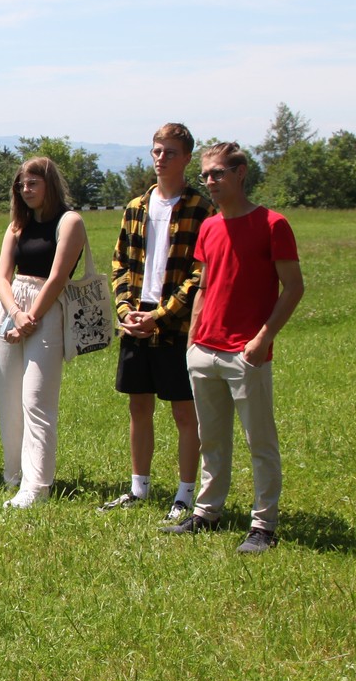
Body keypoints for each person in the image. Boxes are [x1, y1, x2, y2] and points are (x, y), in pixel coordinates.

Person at [164, 142, 305, 553]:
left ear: (240, 173)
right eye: (206, 175)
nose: (210, 181)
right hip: (204, 349)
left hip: (247, 352)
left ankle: (264, 525)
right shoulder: (209, 227)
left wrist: (262, 340)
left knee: (259, 441)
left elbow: (294, 288)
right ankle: (207, 512)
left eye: (218, 173)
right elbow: (205, 284)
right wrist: (193, 338)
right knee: (211, 438)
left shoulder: (273, 224)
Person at [100, 123, 209, 521]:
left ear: (187, 158)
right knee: (139, 405)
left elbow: (200, 273)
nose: (161, 159)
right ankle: (139, 487)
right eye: (157, 151)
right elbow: (120, 263)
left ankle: (185, 494)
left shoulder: (200, 209)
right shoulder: (136, 207)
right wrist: (125, 311)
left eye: (170, 152)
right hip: (136, 318)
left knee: (184, 412)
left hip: (177, 324)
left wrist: (160, 315)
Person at [0, 156, 87, 508]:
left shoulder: (70, 221)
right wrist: (16, 314)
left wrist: (30, 318)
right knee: (9, 398)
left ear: (50, 184)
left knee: (36, 400)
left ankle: (37, 486)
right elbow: (1, 277)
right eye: (21, 185)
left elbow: (59, 277)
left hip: (47, 309)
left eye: (33, 183)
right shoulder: (17, 225)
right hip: (11, 308)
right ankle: (13, 475)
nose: (26, 190)